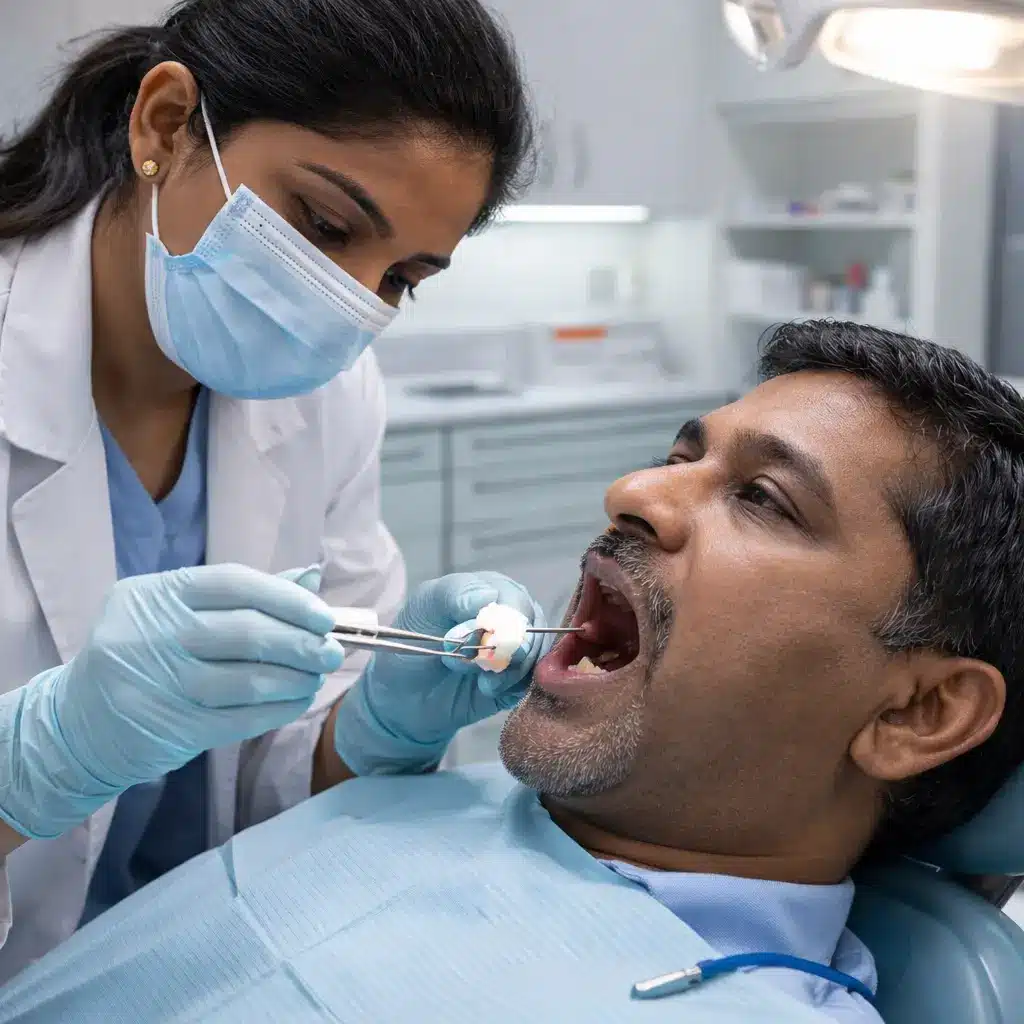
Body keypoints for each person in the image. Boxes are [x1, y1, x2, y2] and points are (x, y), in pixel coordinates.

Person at [3, 320, 1021, 1023]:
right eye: (678, 453)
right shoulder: (414, 796)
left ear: (920, 710)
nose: (633, 490)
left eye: (760, 498)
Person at [0, 0, 546, 980]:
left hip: (182, 958)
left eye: (401, 279)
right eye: (325, 223)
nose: (349, 305)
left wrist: (376, 721)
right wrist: (32, 765)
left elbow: (271, 782)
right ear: (164, 124)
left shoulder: (332, 390)